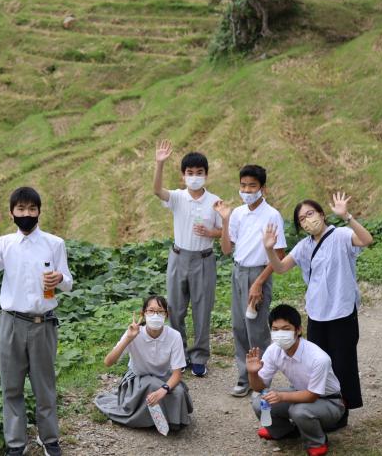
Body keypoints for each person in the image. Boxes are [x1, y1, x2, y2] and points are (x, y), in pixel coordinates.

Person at [0, 187, 74, 456]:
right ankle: (16, 444)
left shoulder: (54, 243)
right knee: (12, 387)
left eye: (31, 209)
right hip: (11, 323)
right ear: (12, 213)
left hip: (43, 324)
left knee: (45, 387)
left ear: (39, 211)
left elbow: (69, 283)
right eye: (21, 209)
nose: (26, 214)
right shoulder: (5, 244)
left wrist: (60, 280)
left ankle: (49, 439)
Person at [262, 192, 373, 427]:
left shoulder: (341, 235)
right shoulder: (304, 246)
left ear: (322, 214)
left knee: (343, 363)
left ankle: (341, 411)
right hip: (316, 314)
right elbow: (281, 268)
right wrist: (270, 249)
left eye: (310, 214)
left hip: (342, 312)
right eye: (302, 219)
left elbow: (366, 240)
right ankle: (320, 406)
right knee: (318, 362)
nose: (307, 221)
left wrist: (347, 216)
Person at [214, 164, 287, 397]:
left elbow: (281, 253)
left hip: (259, 273)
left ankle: (261, 380)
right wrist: (225, 220)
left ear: (263, 188)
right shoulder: (238, 213)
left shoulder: (272, 215)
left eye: (252, 186)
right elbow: (226, 249)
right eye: (243, 185)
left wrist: (259, 283)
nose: (246, 190)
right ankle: (244, 377)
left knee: (256, 330)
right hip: (238, 272)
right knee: (238, 327)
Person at [153, 140, 222, 377]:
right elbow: (157, 191)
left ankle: (200, 356)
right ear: (183, 175)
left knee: (202, 310)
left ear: (206, 175)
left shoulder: (215, 201)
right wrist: (159, 164)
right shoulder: (178, 197)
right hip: (178, 257)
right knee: (175, 308)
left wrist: (211, 233)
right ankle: (180, 353)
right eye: (190, 173)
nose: (194, 177)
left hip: (204, 259)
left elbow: (225, 232)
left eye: (199, 173)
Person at [247, 304, 345, 456]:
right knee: (259, 401)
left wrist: (281, 396)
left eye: (286, 329)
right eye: (275, 329)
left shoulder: (319, 358)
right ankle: (285, 432)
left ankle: (317, 441)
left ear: (298, 330)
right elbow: (260, 387)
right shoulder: (274, 350)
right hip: (300, 393)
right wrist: (253, 373)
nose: (280, 334)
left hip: (330, 401)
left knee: (298, 410)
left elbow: (312, 395)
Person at [95, 295, 193, 431]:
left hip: (163, 377)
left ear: (166, 315)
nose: (155, 315)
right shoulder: (134, 333)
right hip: (137, 378)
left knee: (178, 392)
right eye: (151, 311)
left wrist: (164, 389)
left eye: (160, 311)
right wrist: (128, 339)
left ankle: (172, 421)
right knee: (151, 385)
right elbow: (108, 362)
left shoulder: (174, 335)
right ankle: (154, 421)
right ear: (143, 314)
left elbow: (177, 374)